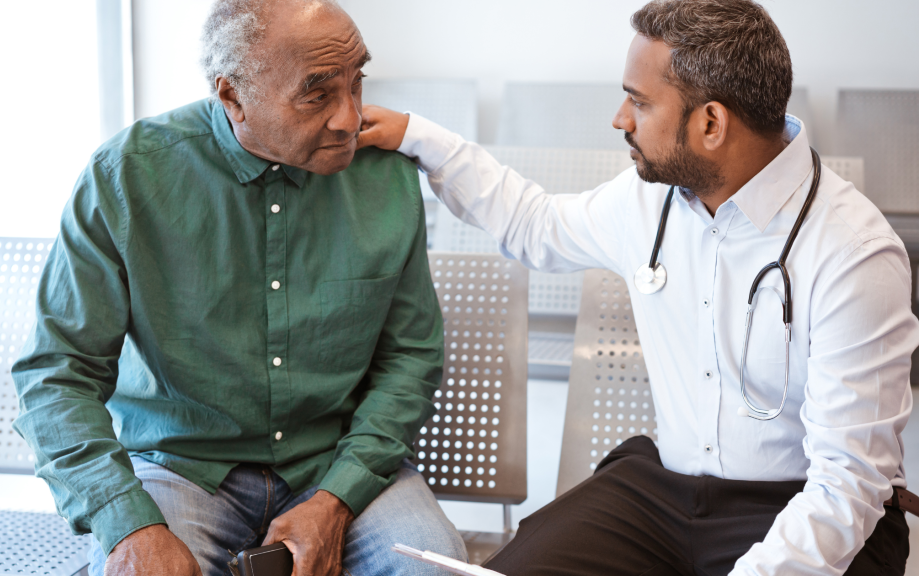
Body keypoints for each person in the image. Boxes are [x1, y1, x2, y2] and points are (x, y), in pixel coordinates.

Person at [359, 0, 918, 574]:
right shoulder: (648, 200)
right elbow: (535, 224)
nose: (620, 118)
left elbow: (847, 485)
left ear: (711, 124)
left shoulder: (853, 254)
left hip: (806, 505)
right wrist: (415, 135)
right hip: (666, 494)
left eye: (641, 101)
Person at [11, 1, 468, 575]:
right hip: (181, 466)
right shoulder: (126, 175)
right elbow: (58, 373)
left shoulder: (386, 177)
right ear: (232, 97)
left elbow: (410, 357)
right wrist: (128, 522)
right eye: (317, 94)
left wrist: (336, 496)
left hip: (337, 463)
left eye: (357, 84)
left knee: (439, 569)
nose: (350, 117)